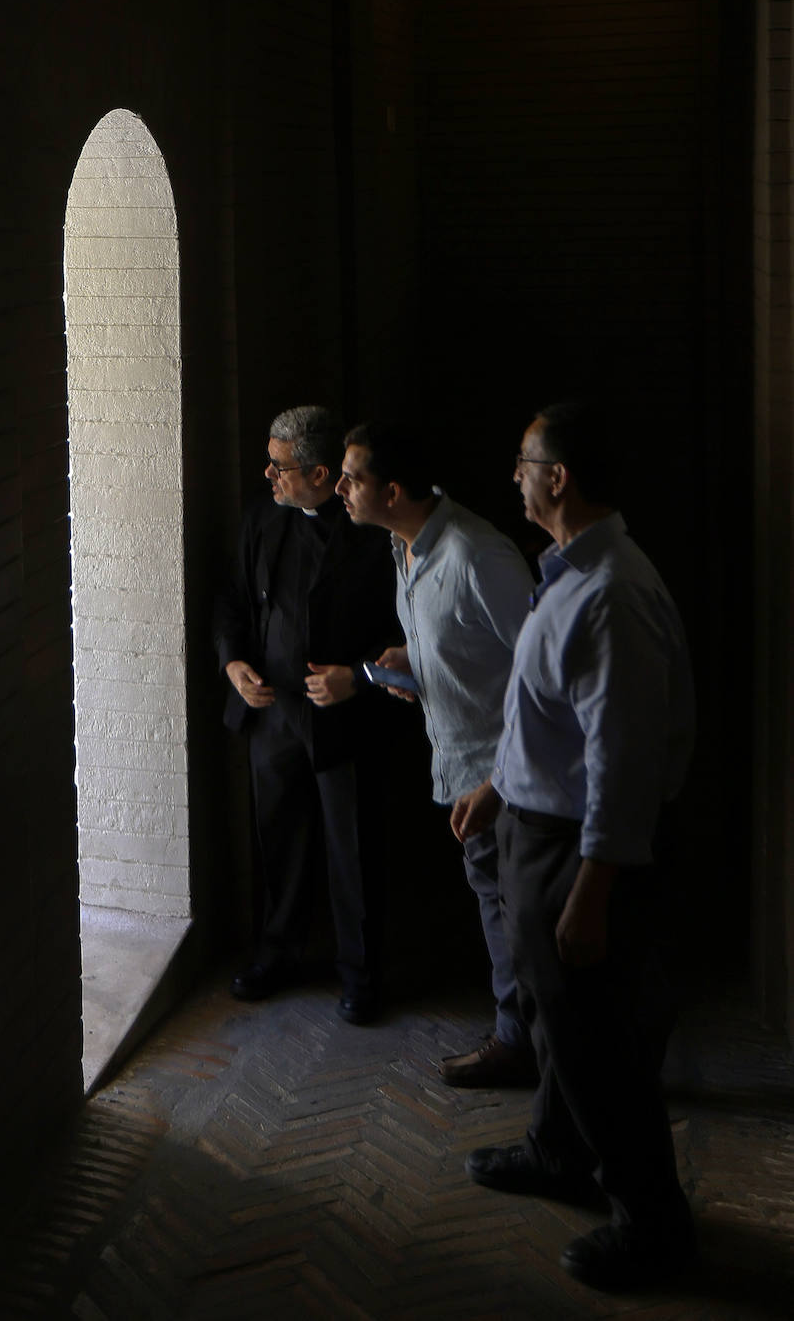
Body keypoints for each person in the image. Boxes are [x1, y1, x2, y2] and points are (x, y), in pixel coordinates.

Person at [451, 400, 696, 1290]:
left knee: (599, 1043)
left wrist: (593, 887)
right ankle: (557, 1152)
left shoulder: (611, 594)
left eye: (524, 461)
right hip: (536, 825)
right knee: (561, 1022)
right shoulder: (566, 572)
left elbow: (622, 762)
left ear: (559, 478)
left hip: (576, 851)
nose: (513, 474)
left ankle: (653, 1223)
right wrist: (497, 786)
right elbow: (551, 719)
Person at [335, 422, 536, 1087]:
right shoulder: (406, 548)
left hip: (506, 776)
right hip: (460, 764)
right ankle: (520, 1038)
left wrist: (501, 780)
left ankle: (533, 1051)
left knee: (521, 918)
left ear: (391, 491)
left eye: (352, 477)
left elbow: (540, 678)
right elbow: (466, 649)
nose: (339, 487)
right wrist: (412, 662)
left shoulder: (480, 557)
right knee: (496, 908)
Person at [214, 406, 399, 1024]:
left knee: (354, 849)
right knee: (281, 841)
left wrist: (361, 679)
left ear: (321, 474)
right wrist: (234, 662)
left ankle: (362, 973)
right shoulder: (263, 518)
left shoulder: (373, 533)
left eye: (280, 466)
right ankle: (280, 952)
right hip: (273, 714)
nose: (267, 475)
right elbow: (233, 600)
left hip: (343, 716)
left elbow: (405, 629)